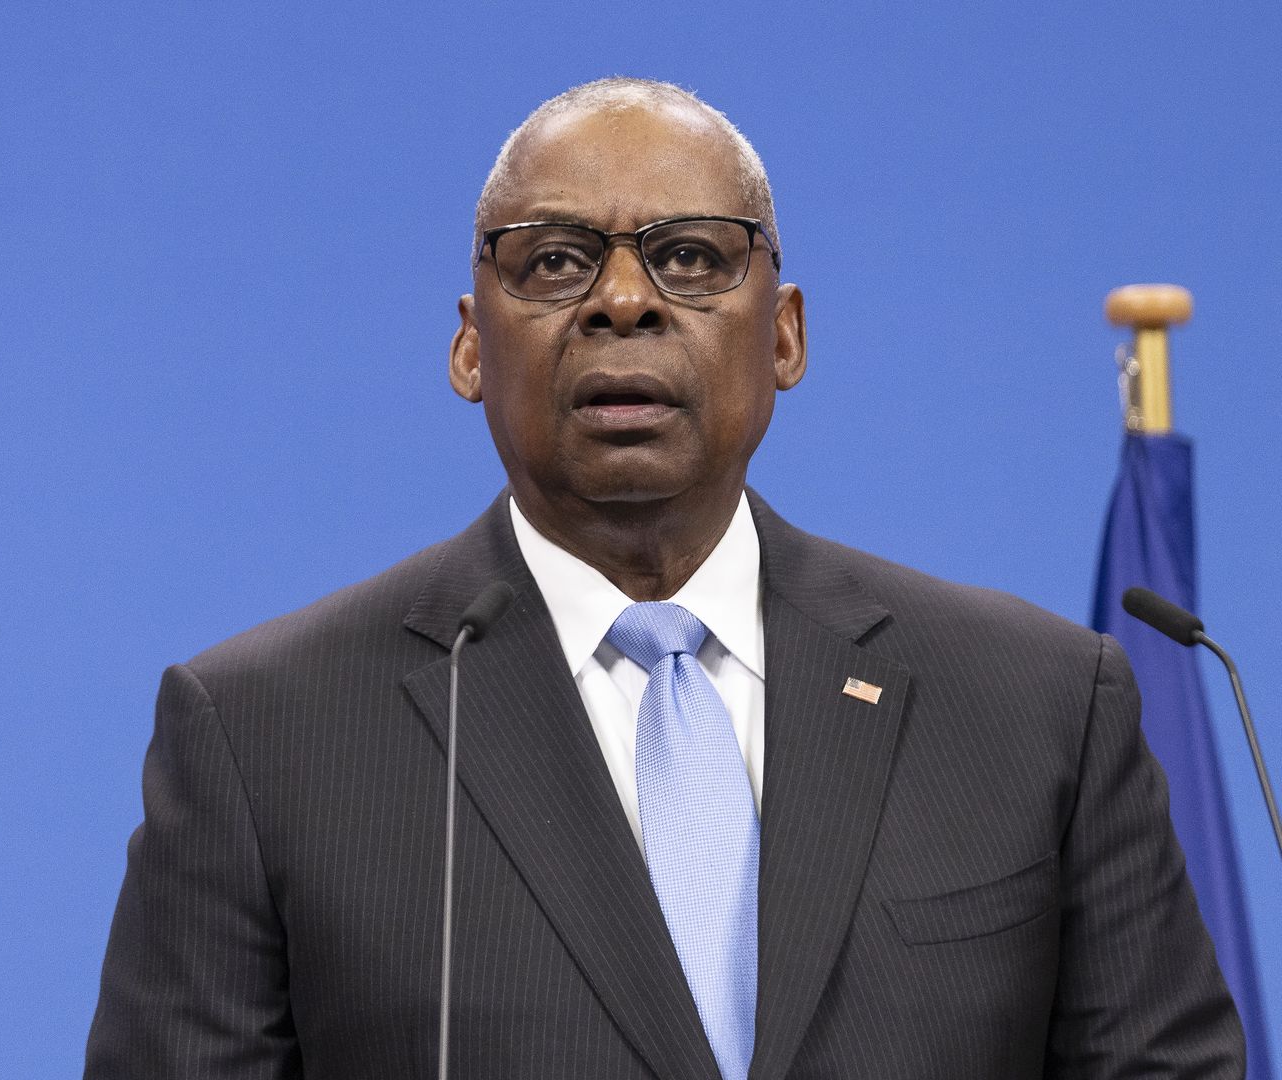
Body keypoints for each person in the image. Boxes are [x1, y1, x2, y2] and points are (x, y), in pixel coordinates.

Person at [83, 78, 1246, 1079]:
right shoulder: (265, 734)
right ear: (470, 346)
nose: (624, 299)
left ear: (784, 334)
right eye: (553, 261)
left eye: (691, 256)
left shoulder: (1036, 706)